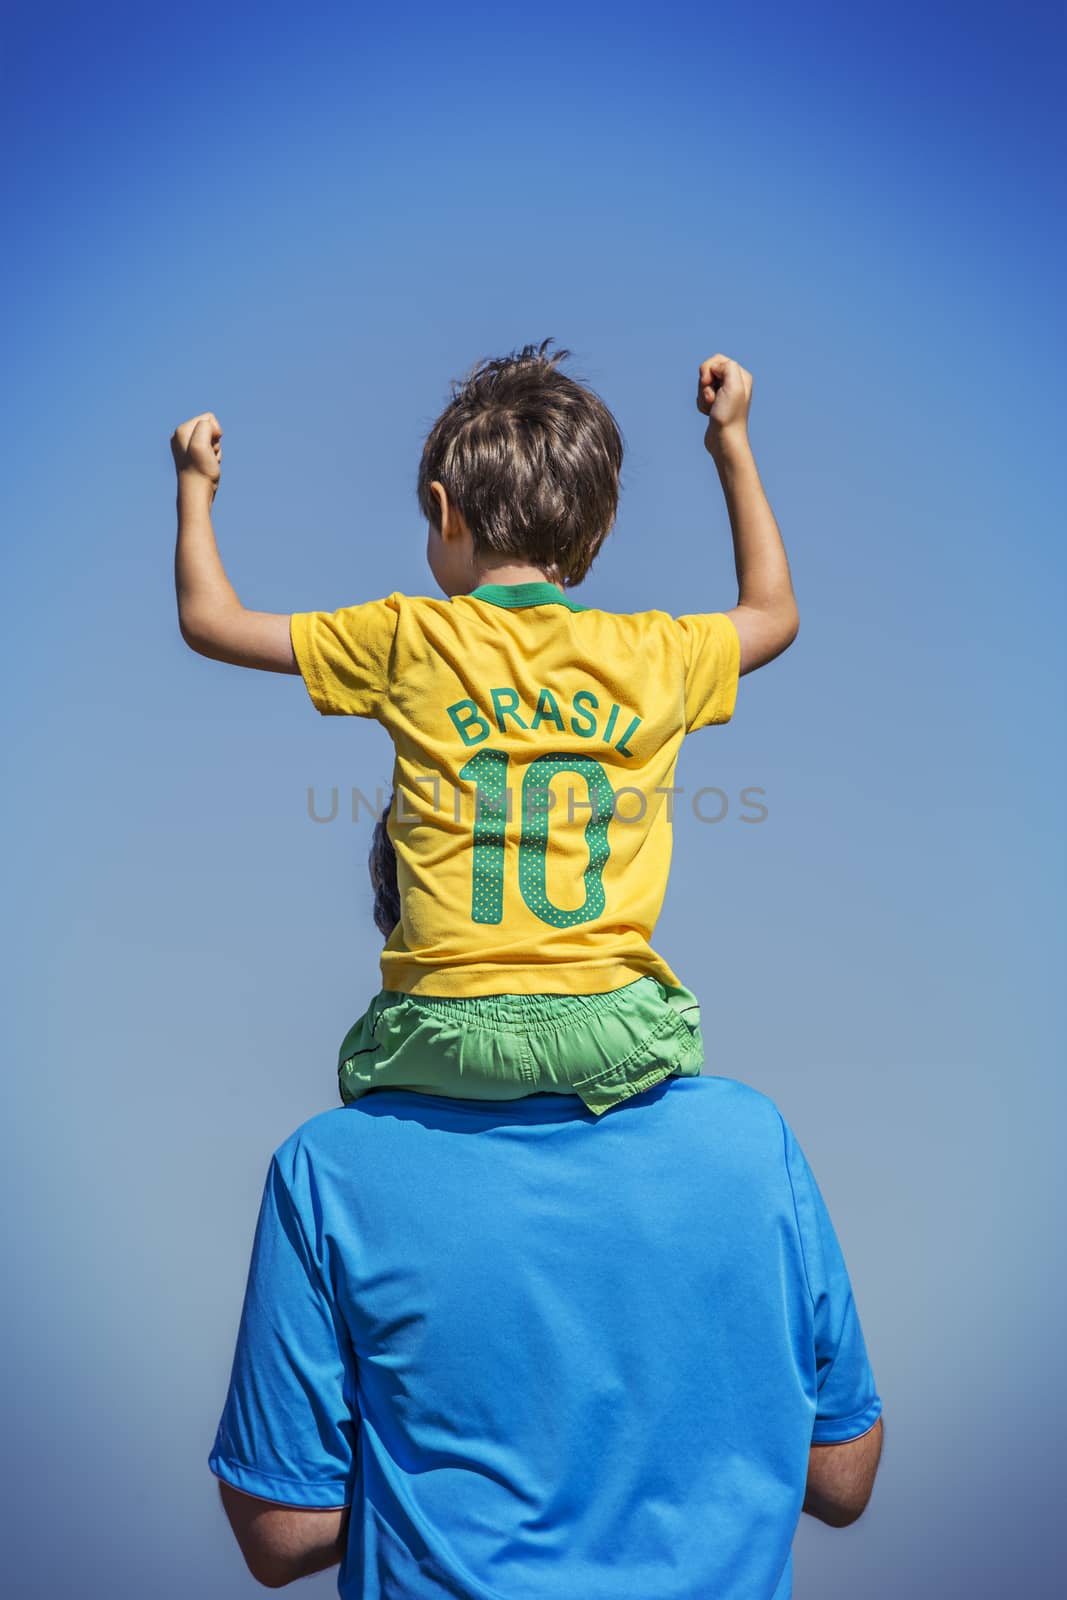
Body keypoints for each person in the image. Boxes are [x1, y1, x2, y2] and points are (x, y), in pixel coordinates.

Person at [208, 812, 883, 1598]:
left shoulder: (328, 1167)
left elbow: (284, 1531)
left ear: (400, 926)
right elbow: (841, 1475)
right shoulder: (748, 1138)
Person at [171, 342, 799, 1115]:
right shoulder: (657, 653)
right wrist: (729, 440)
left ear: (444, 510)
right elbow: (772, 615)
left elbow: (211, 622)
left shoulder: (407, 637)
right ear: (595, 526)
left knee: (361, 1087)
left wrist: (194, 489)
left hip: (442, 1027)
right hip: (612, 1027)